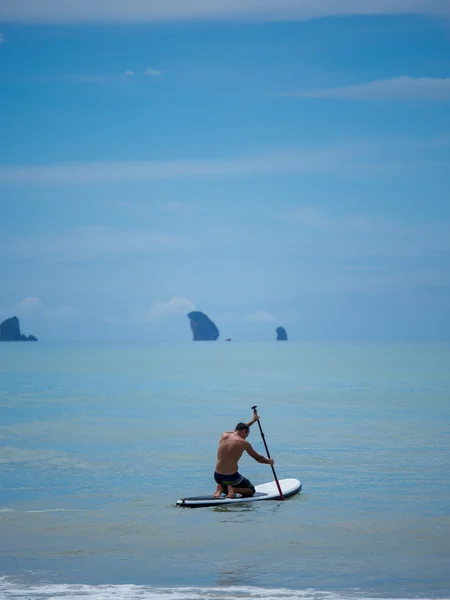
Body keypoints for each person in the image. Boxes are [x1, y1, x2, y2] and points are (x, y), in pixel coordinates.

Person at [213, 409, 275, 498]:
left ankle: (222, 488)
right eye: (246, 435)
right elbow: (258, 458)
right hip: (231, 478)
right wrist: (269, 461)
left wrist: (253, 421)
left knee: (227, 484)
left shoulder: (224, 435)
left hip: (217, 476)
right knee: (251, 490)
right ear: (243, 432)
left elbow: (239, 430)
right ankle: (233, 489)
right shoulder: (243, 443)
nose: (246, 438)